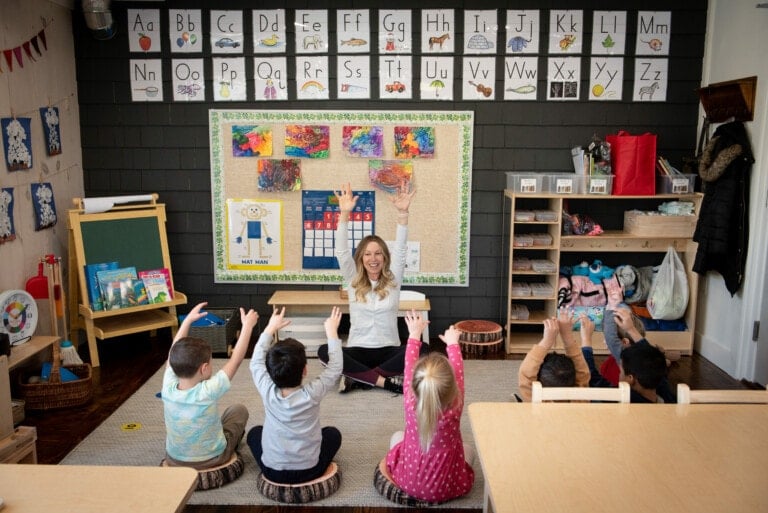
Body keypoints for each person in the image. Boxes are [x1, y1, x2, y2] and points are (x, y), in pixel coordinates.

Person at [317, 182, 425, 394]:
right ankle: (384, 381)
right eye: (367, 254)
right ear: (361, 258)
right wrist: (344, 214)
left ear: (385, 257)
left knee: (424, 349)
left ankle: (359, 377)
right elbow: (341, 252)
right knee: (324, 351)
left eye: (378, 254)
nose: (373, 259)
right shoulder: (353, 280)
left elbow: (401, 249)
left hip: (389, 349)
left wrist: (403, 213)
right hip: (358, 349)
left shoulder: (393, 280)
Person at [385, 311, 474, 503]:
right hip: (448, 489)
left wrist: (414, 335)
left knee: (396, 437)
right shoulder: (456, 406)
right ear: (453, 389)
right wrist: (452, 344)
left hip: (407, 483)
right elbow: (458, 372)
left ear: (414, 386)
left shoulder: (410, 402)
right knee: (469, 450)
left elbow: (408, 366)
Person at [247, 306, 343, 484]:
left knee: (254, 433)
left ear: (270, 372)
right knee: (333, 434)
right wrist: (332, 333)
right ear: (305, 370)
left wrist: (270, 328)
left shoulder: (266, 389)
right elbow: (335, 367)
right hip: (310, 470)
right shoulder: (313, 393)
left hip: (272, 471)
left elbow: (255, 362)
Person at [161, 301, 258, 469]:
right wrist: (247, 326)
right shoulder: (208, 390)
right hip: (214, 458)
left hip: (174, 459)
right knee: (238, 410)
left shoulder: (168, 387)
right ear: (204, 368)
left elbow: (172, 352)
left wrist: (187, 321)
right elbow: (236, 360)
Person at [581, 306, 675, 403]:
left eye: (621, 372)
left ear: (630, 379)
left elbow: (593, 378)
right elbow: (648, 351)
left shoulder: (623, 397)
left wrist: (585, 339)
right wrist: (631, 329)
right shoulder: (665, 391)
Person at [517, 306, 590, 402]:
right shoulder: (580, 400)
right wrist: (567, 335)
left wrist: (547, 341)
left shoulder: (534, 401)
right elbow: (583, 375)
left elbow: (526, 374)